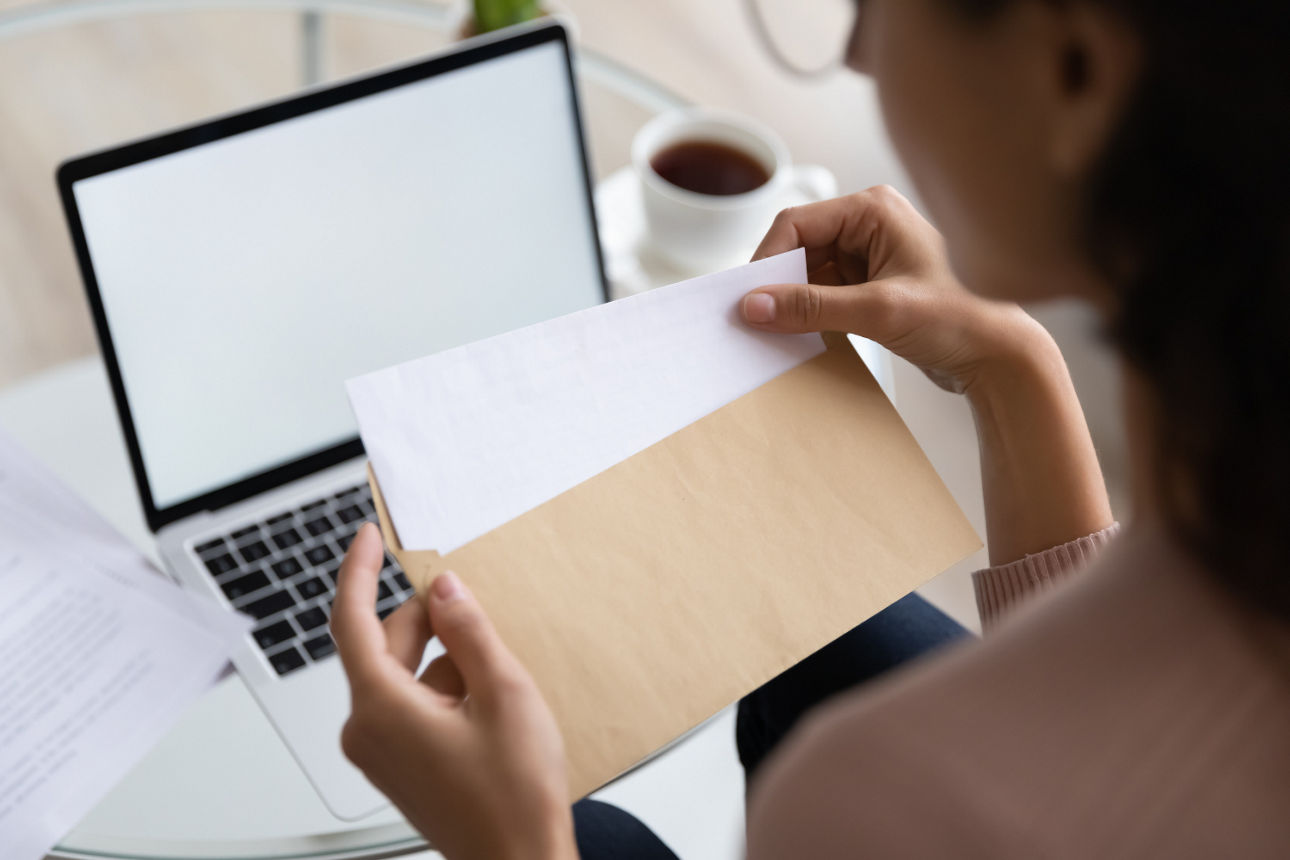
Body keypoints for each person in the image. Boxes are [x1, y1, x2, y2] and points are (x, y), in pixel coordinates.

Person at [328, 0, 1290, 856]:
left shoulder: (875, 801)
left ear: (1075, 70)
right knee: (836, 632)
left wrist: (513, 844)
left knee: (590, 833)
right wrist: (1009, 365)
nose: (861, 52)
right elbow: (1105, 726)